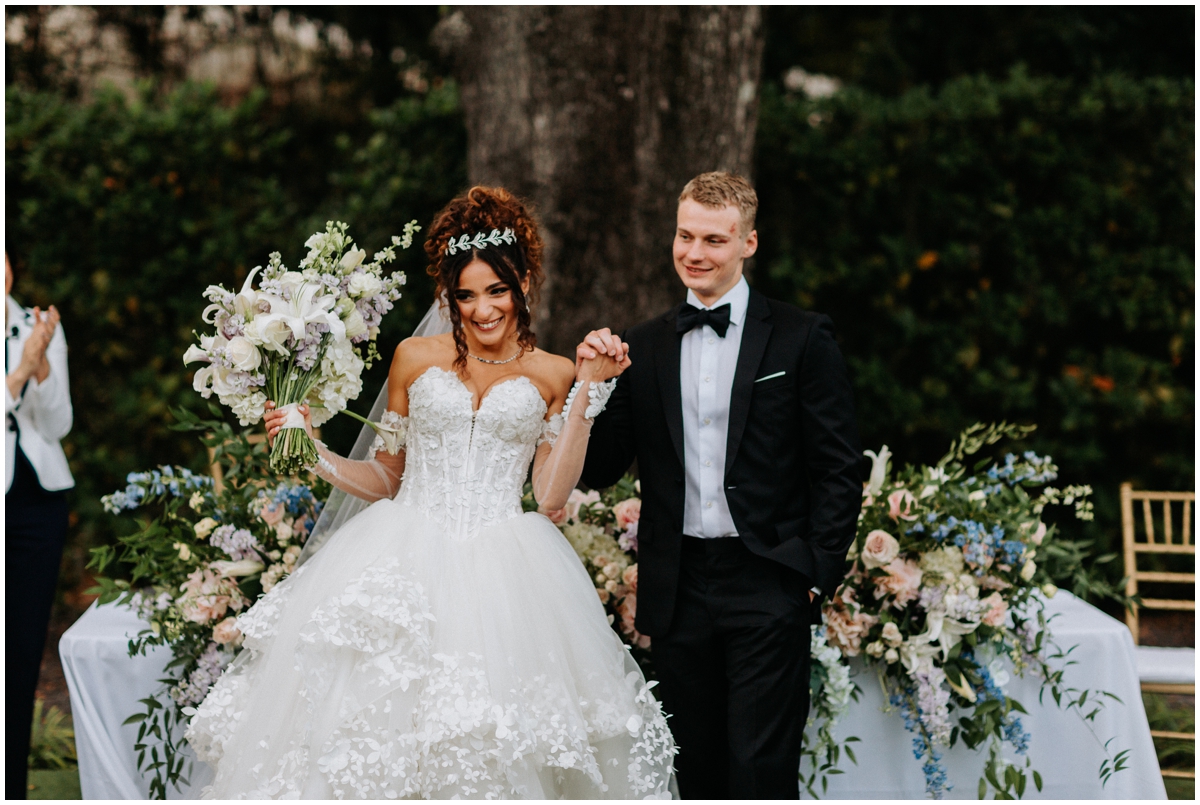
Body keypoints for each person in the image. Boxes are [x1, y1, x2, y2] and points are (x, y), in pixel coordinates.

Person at [184, 187, 677, 799]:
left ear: (523, 281)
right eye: (466, 295)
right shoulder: (414, 358)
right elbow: (387, 479)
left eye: (496, 290)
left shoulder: (554, 372)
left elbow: (550, 493)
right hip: (400, 558)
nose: (482, 310)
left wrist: (588, 397)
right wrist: (314, 452)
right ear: (449, 295)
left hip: (508, 578)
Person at [579, 172, 862, 799]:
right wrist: (590, 387)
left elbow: (839, 467)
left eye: (713, 238)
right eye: (685, 235)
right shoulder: (646, 345)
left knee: (760, 769)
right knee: (698, 771)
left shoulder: (801, 336)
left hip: (768, 577)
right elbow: (597, 470)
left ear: (748, 243)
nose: (695, 253)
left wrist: (813, 573)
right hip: (678, 587)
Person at [5, 252, 74, 800]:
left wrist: (43, 364)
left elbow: (58, 423)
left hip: (38, 501)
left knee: (24, 644)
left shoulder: (39, 327)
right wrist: (19, 372)